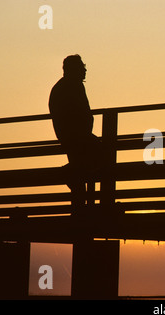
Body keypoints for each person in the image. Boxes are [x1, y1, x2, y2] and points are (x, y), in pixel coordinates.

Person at [48, 55, 103, 204]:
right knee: (100, 158)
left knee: (81, 173)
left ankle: (80, 209)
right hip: (77, 138)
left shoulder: (62, 86)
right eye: (81, 68)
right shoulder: (72, 86)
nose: (85, 71)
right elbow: (80, 113)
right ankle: (67, 175)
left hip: (72, 137)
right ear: (74, 70)